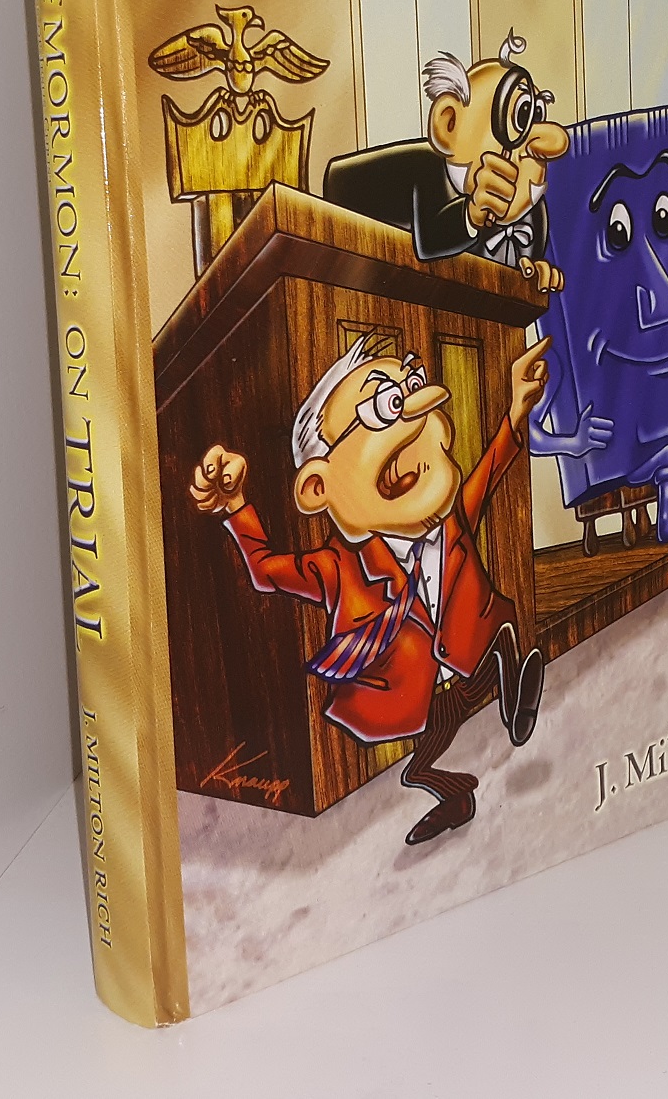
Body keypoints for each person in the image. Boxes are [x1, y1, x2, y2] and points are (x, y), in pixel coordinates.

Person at [188, 334, 552, 845]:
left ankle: (511, 674)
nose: (421, 418)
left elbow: (488, 471)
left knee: (498, 638)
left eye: (413, 390)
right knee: (418, 767)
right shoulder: (340, 568)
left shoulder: (453, 525)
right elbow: (266, 571)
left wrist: (516, 410)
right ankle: (457, 796)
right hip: (423, 696)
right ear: (318, 486)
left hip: (471, 664)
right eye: (385, 407)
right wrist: (235, 507)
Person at [324, 31, 569, 292]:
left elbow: (509, 271)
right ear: (448, 123)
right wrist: (470, 214)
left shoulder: (535, 214)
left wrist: (533, 275)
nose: (550, 142)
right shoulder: (425, 172)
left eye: (538, 114)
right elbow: (429, 243)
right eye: (522, 114)